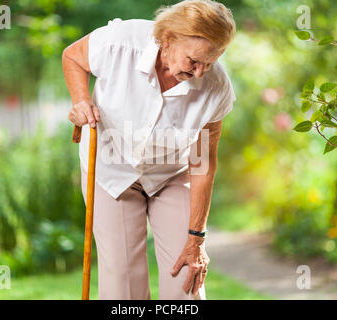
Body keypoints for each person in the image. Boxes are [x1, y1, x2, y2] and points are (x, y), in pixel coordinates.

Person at [62, 0, 236, 300]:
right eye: (193, 61)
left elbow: (203, 164)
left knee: (186, 276)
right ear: (167, 40)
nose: (199, 73)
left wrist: (197, 239)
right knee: (122, 283)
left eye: (209, 63)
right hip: (111, 169)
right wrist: (80, 100)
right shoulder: (119, 43)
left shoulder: (216, 87)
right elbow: (73, 57)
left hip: (172, 174)